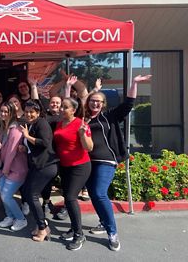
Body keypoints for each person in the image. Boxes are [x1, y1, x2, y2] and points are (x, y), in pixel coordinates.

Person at [84, 74, 152, 251]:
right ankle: (103, 222)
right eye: (93, 101)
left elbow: (129, 103)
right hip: (87, 163)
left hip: (106, 160)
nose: (95, 103)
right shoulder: (84, 119)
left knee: (99, 193)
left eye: (99, 101)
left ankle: (112, 232)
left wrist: (134, 83)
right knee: (93, 194)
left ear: (103, 104)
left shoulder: (110, 116)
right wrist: (95, 90)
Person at [54, 97, 93, 251]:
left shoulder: (80, 124)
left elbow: (89, 147)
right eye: (61, 107)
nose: (61, 109)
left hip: (80, 166)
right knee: (68, 198)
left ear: (73, 110)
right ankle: (73, 228)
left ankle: (79, 234)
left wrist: (83, 134)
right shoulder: (59, 122)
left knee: (70, 198)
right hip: (65, 166)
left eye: (65, 107)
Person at [20, 100, 58, 242]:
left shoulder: (41, 123)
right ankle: (40, 225)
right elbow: (34, 146)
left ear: (38, 112)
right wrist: (25, 147)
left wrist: (27, 137)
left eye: (32, 112)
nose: (29, 114)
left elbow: (45, 143)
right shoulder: (31, 125)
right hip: (38, 166)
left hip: (46, 166)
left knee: (32, 195)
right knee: (28, 193)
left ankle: (43, 228)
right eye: (27, 111)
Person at [0, 102, 28, 231]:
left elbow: (12, 152)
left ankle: (21, 219)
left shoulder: (16, 129)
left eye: (6, 111)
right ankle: (10, 216)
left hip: (16, 169)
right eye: (1, 111)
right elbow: (6, 149)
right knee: (2, 191)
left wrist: (5, 170)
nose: (3, 114)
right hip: (5, 167)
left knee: (6, 195)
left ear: (12, 113)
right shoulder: (4, 127)